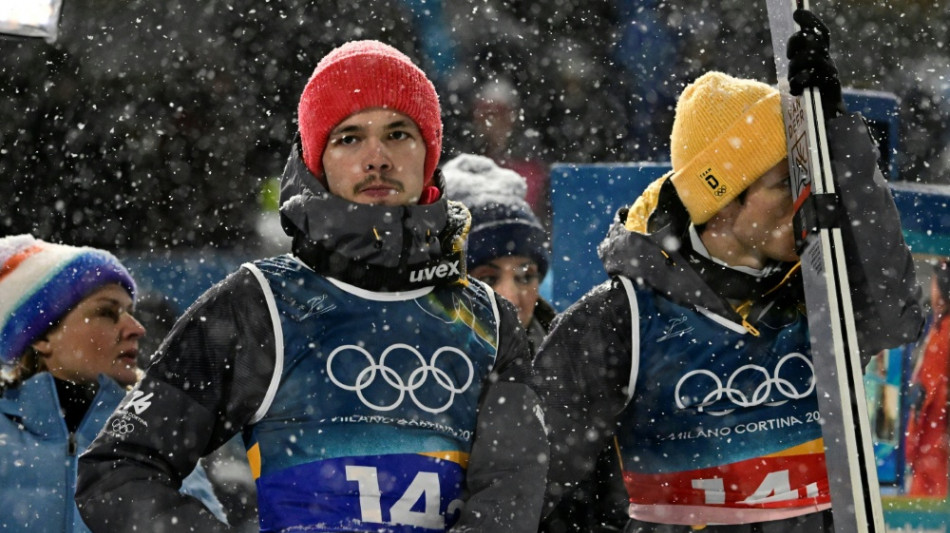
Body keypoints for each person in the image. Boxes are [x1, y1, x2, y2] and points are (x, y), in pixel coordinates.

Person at [76, 40, 547, 533]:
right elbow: (117, 470)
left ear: (429, 152)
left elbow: (509, 492)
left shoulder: (491, 320)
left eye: (398, 133)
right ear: (316, 160)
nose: (377, 158)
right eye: (348, 138)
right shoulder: (257, 304)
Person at [532, 10, 923, 532]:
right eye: (786, 183)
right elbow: (534, 491)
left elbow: (897, 318)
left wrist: (838, 136)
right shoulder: (616, 320)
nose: (805, 201)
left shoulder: (817, 292)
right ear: (719, 203)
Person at [0, 234, 224, 532]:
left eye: (130, 313)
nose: (136, 328)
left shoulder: (158, 439)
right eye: (106, 312)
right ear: (41, 336)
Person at [441, 153, 554, 350]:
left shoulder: (573, 364)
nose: (510, 298)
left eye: (525, 277)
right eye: (487, 280)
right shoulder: (405, 369)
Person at [905, 259, 950, 497]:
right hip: (932, 441)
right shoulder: (939, 326)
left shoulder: (945, 331)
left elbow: (932, 394)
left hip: (934, 440)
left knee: (930, 503)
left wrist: (915, 440)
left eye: (935, 283)